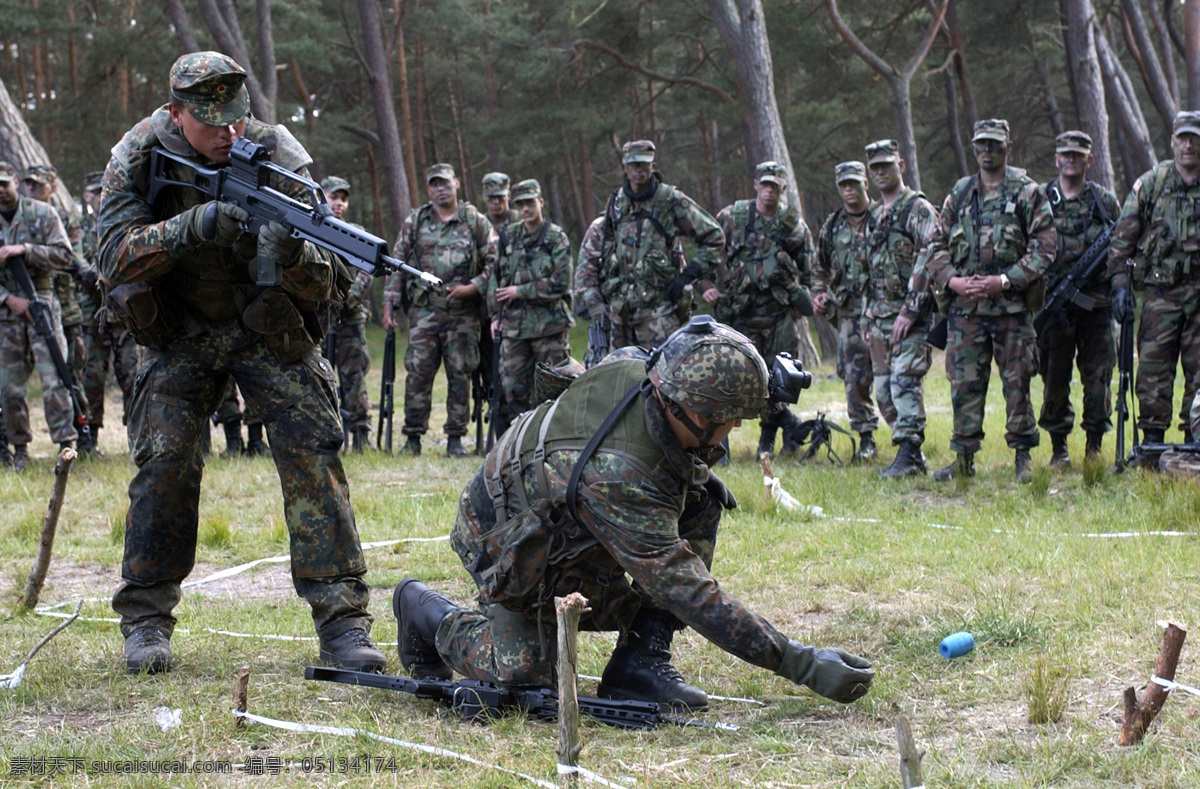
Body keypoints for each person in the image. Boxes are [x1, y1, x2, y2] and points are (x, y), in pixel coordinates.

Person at [392, 316, 875, 712]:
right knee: (526, 678)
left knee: (703, 495)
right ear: (697, 413)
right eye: (732, 420)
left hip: (569, 519)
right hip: (506, 540)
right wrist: (802, 663)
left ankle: (638, 661)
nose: (733, 432)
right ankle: (426, 613)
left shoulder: (655, 373)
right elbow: (689, 591)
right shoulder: (619, 477)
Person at [98, 51, 384, 675]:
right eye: (209, 122)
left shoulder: (276, 153)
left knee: (314, 449)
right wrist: (194, 226)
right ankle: (146, 619)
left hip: (267, 327)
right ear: (175, 114)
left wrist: (294, 258)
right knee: (164, 461)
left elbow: (339, 281)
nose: (228, 134)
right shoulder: (141, 153)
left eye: (235, 118)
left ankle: (342, 621)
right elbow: (111, 260)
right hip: (179, 330)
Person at [925, 119, 1056, 482]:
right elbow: (934, 244)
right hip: (966, 312)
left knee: (1018, 383)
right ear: (973, 147)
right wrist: (953, 281)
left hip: (1011, 309)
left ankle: (1023, 458)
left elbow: (1045, 247)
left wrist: (1003, 280)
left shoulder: (1028, 192)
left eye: (994, 145)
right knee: (964, 384)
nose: (987, 151)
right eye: (981, 144)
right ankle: (964, 461)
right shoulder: (962, 192)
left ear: (1008, 147)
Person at [381, 163, 497, 457]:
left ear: (457, 184)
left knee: (461, 374)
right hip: (424, 312)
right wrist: (389, 302)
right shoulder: (415, 222)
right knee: (418, 373)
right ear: (428, 188)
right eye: (434, 184)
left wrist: (473, 287)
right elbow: (397, 263)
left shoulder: (475, 221)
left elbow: (496, 263)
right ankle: (413, 437)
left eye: (445, 183)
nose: (440, 189)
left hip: (463, 314)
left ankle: (456, 439)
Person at [710, 161, 815, 458]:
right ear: (755, 185)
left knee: (779, 382)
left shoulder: (793, 225)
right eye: (764, 184)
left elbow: (810, 272)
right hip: (738, 317)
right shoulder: (732, 218)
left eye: (775, 186)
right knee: (736, 381)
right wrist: (707, 284)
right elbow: (709, 251)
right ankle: (721, 444)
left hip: (778, 317)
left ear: (783, 189)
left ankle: (770, 441)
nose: (769, 191)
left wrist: (802, 301)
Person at [1109, 111, 1200, 454]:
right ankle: (1152, 445)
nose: (1189, 145)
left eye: (1195, 138)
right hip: (1160, 296)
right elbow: (1122, 242)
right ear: (1173, 141)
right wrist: (1120, 287)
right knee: (1153, 372)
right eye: (1183, 138)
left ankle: (1195, 444)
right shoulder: (1152, 183)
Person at [575, 140, 724, 348]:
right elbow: (600, 252)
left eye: (644, 164)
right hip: (620, 315)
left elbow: (715, 237)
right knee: (618, 377)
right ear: (625, 167)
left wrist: (686, 278)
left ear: (653, 166)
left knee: (663, 375)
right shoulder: (617, 203)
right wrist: (596, 298)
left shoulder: (670, 200)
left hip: (660, 313)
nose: (639, 170)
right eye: (633, 165)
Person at [1038, 131, 1120, 467]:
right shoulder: (1041, 199)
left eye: (1078, 155)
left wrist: (1118, 289)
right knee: (1054, 378)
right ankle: (1059, 450)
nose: (1071, 159)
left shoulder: (1103, 201)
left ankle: (1094, 448)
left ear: (1089, 160)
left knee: (1098, 378)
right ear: (1057, 159)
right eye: (1065, 154)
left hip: (1096, 307)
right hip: (1054, 306)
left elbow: (1120, 247)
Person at [862, 140, 939, 478]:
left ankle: (907, 455)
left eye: (886, 166)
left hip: (911, 317)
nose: (880, 173)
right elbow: (868, 267)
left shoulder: (917, 208)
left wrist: (911, 310)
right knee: (882, 390)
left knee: (904, 382)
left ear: (901, 166)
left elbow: (930, 256)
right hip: (878, 318)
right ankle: (913, 456)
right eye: (875, 168)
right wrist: (866, 313)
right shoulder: (875, 215)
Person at [0, 159, 76, 471]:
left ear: (14, 181)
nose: (0, 192)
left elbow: (64, 254)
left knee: (55, 380)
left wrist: (25, 250)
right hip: (7, 312)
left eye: (4, 184)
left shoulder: (43, 213)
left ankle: (65, 446)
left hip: (42, 303)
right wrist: (7, 299)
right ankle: (20, 450)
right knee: (9, 387)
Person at [487, 179, 573, 428]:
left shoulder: (556, 238)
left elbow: (561, 283)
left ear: (541, 202)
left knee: (555, 390)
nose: (525, 209)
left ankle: (556, 440)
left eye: (530, 203)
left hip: (549, 328)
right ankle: (519, 444)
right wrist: (495, 316)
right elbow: (496, 277)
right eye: (520, 204)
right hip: (514, 329)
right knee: (513, 390)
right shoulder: (509, 236)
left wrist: (520, 291)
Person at [23, 163, 93, 454]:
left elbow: (73, 261)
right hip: (34, 306)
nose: (32, 190)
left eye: (38, 185)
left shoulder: (65, 218)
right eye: (28, 185)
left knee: (70, 372)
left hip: (66, 307)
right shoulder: (22, 218)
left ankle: (83, 437)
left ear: (52, 186)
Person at [813, 161, 879, 462]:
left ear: (866, 182)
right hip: (849, 314)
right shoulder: (833, 224)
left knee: (895, 377)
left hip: (883, 308)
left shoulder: (882, 217)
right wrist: (819, 294)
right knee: (854, 378)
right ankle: (867, 438)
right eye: (844, 185)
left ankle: (910, 441)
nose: (849, 189)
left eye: (854, 182)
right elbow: (819, 268)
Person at [79, 169, 138, 456]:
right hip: (93, 318)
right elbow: (76, 263)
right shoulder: (79, 228)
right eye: (93, 192)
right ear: (86, 196)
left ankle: (136, 437)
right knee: (92, 377)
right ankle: (90, 440)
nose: (98, 197)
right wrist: (101, 274)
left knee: (132, 376)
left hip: (125, 314)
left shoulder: (124, 222)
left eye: (101, 191)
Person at [321, 175, 373, 451]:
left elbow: (366, 270)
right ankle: (325, 433)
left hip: (350, 319)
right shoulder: (314, 229)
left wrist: (344, 299)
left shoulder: (356, 231)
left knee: (355, 377)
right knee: (321, 378)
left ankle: (361, 435)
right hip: (320, 320)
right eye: (334, 197)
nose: (339, 203)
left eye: (343, 199)